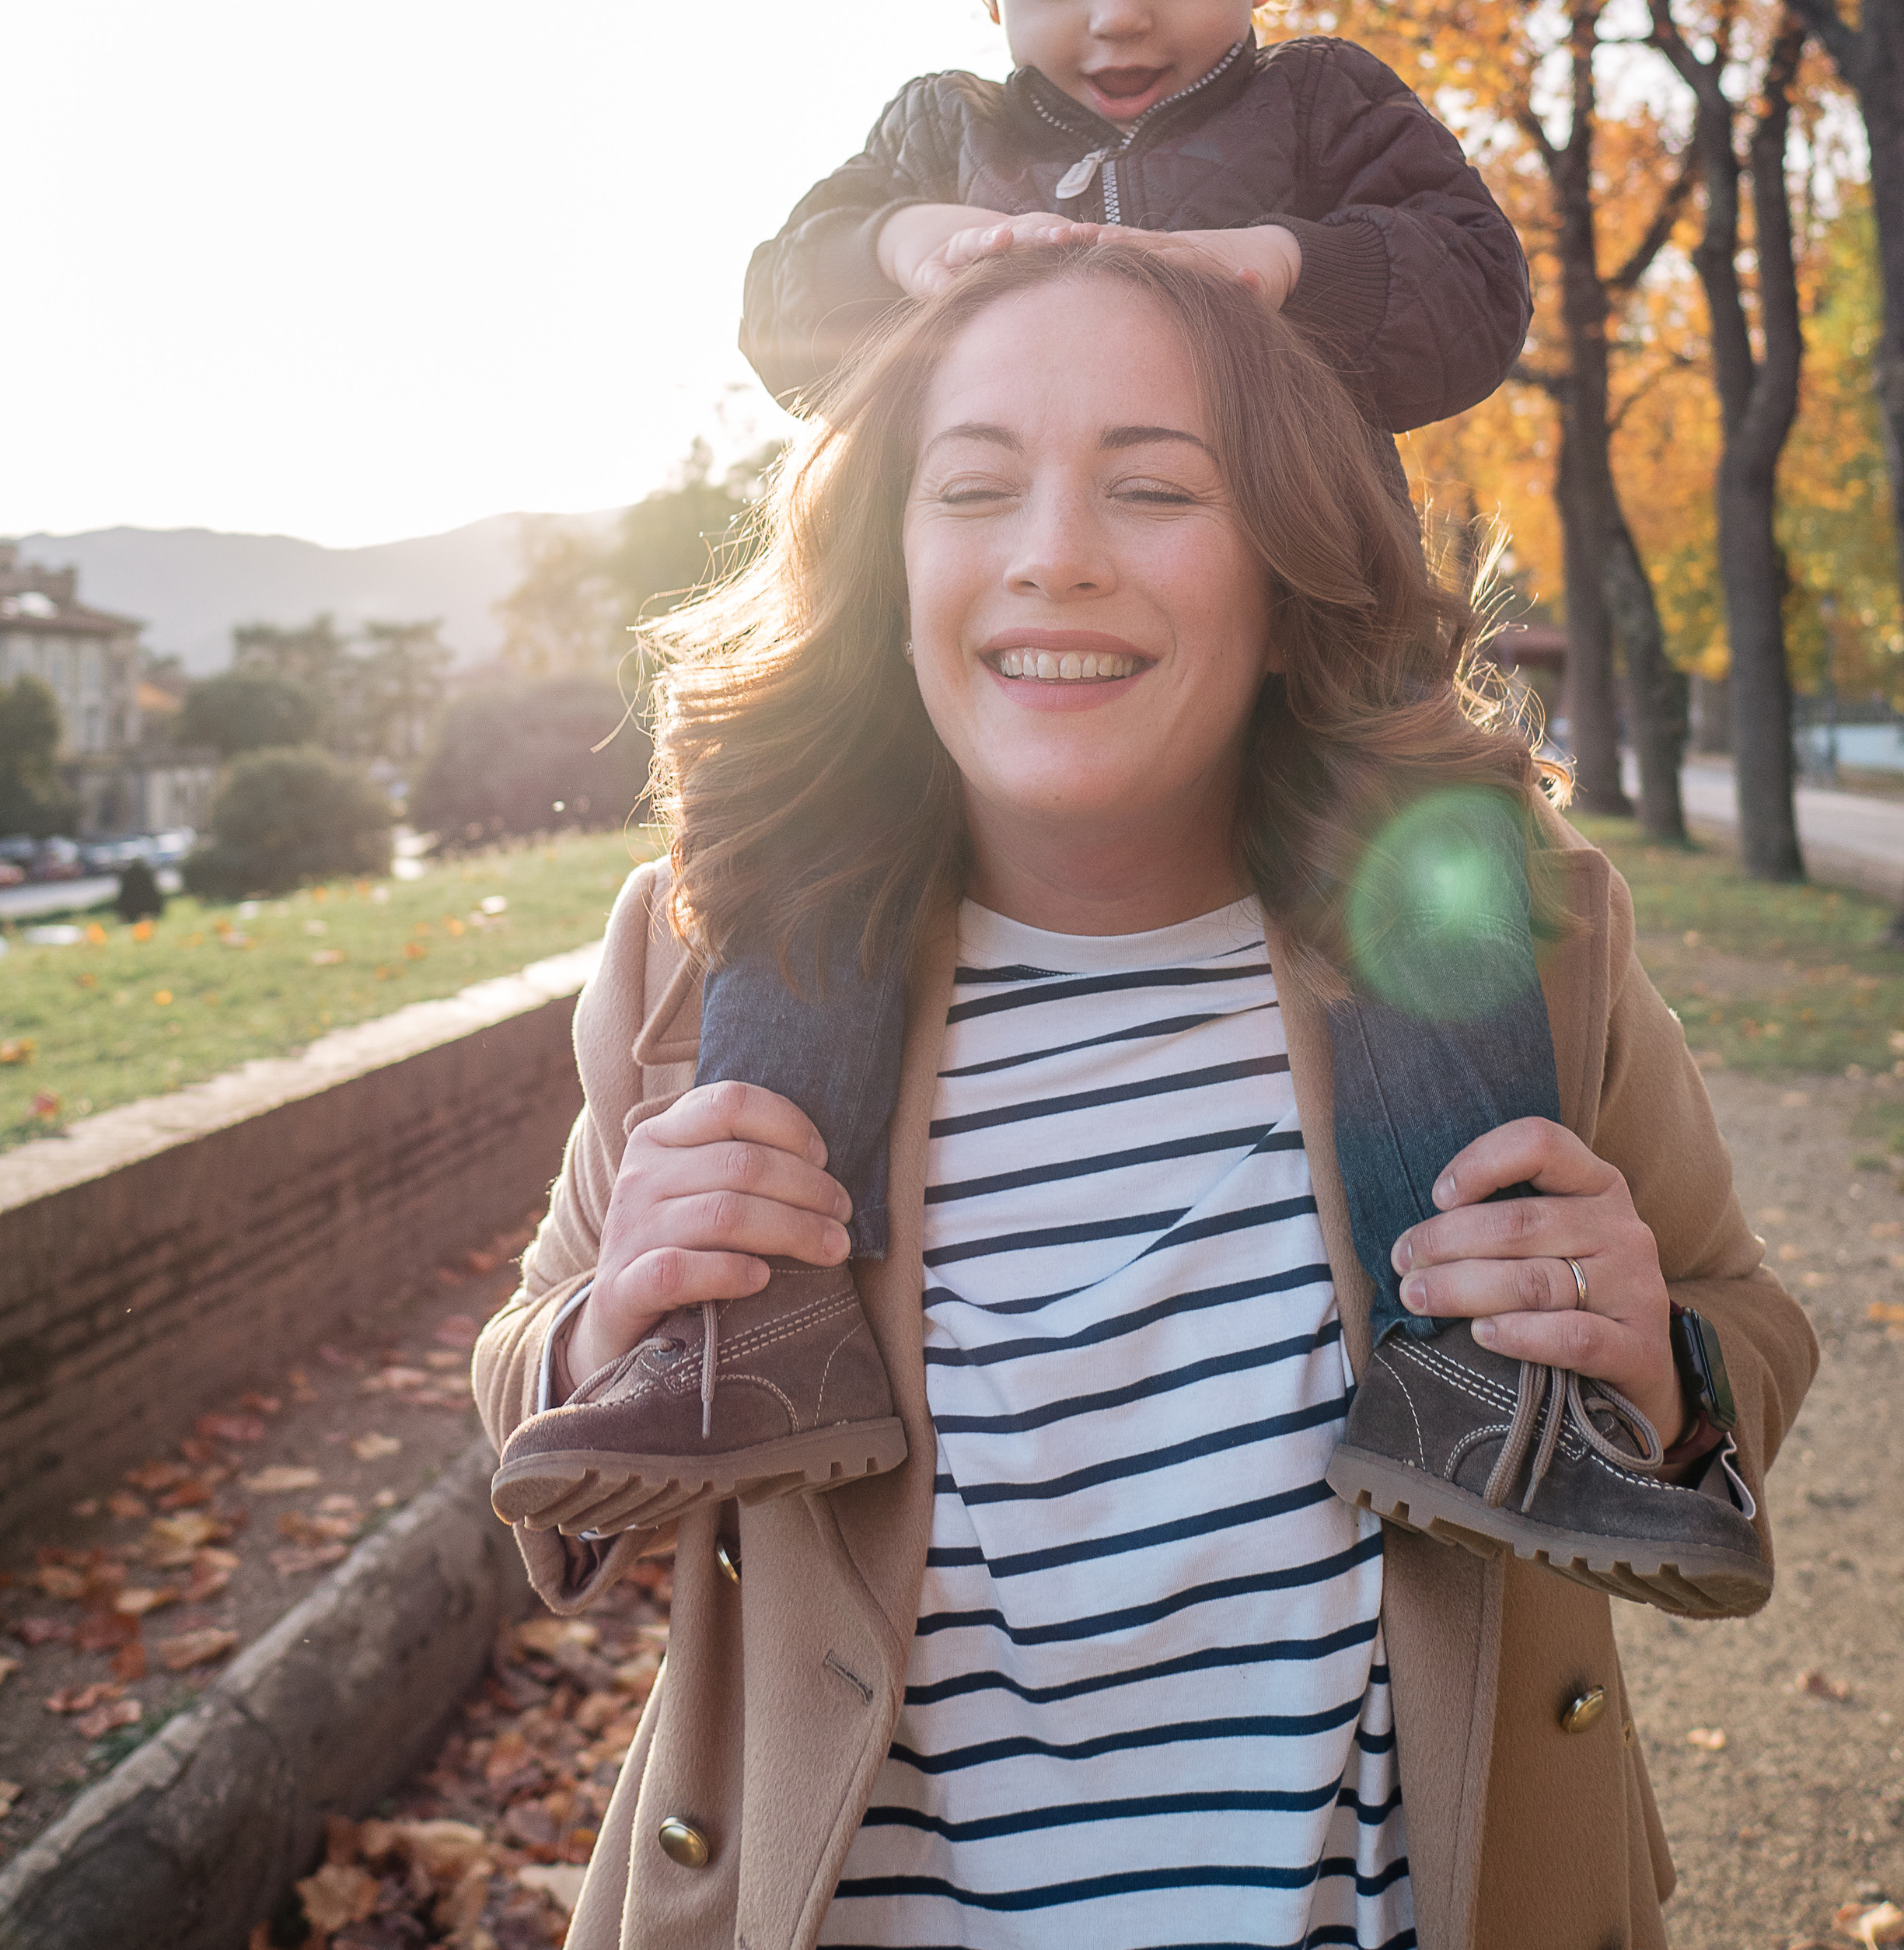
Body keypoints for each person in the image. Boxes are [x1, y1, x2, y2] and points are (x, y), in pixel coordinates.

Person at [477, 243, 1816, 1949]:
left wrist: (1664, 1373)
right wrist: (605, 1333)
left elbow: (1742, 1327)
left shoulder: (1510, 955)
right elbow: (528, 1389)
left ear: (1283, 572)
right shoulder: (709, 969)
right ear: (888, 563)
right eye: (972, 487)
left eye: (1152, 488)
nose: (1052, 557)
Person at [494, 0, 1565, 1550]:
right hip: (963, 712)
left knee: (1427, 889)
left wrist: (1289, 271)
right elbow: (779, 301)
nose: (1117, 22)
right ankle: (766, 1309)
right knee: (812, 856)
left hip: (1302, 652)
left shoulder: (1323, 117)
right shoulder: (946, 134)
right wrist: (906, 250)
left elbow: (1475, 290)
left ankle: (1480, 1343)